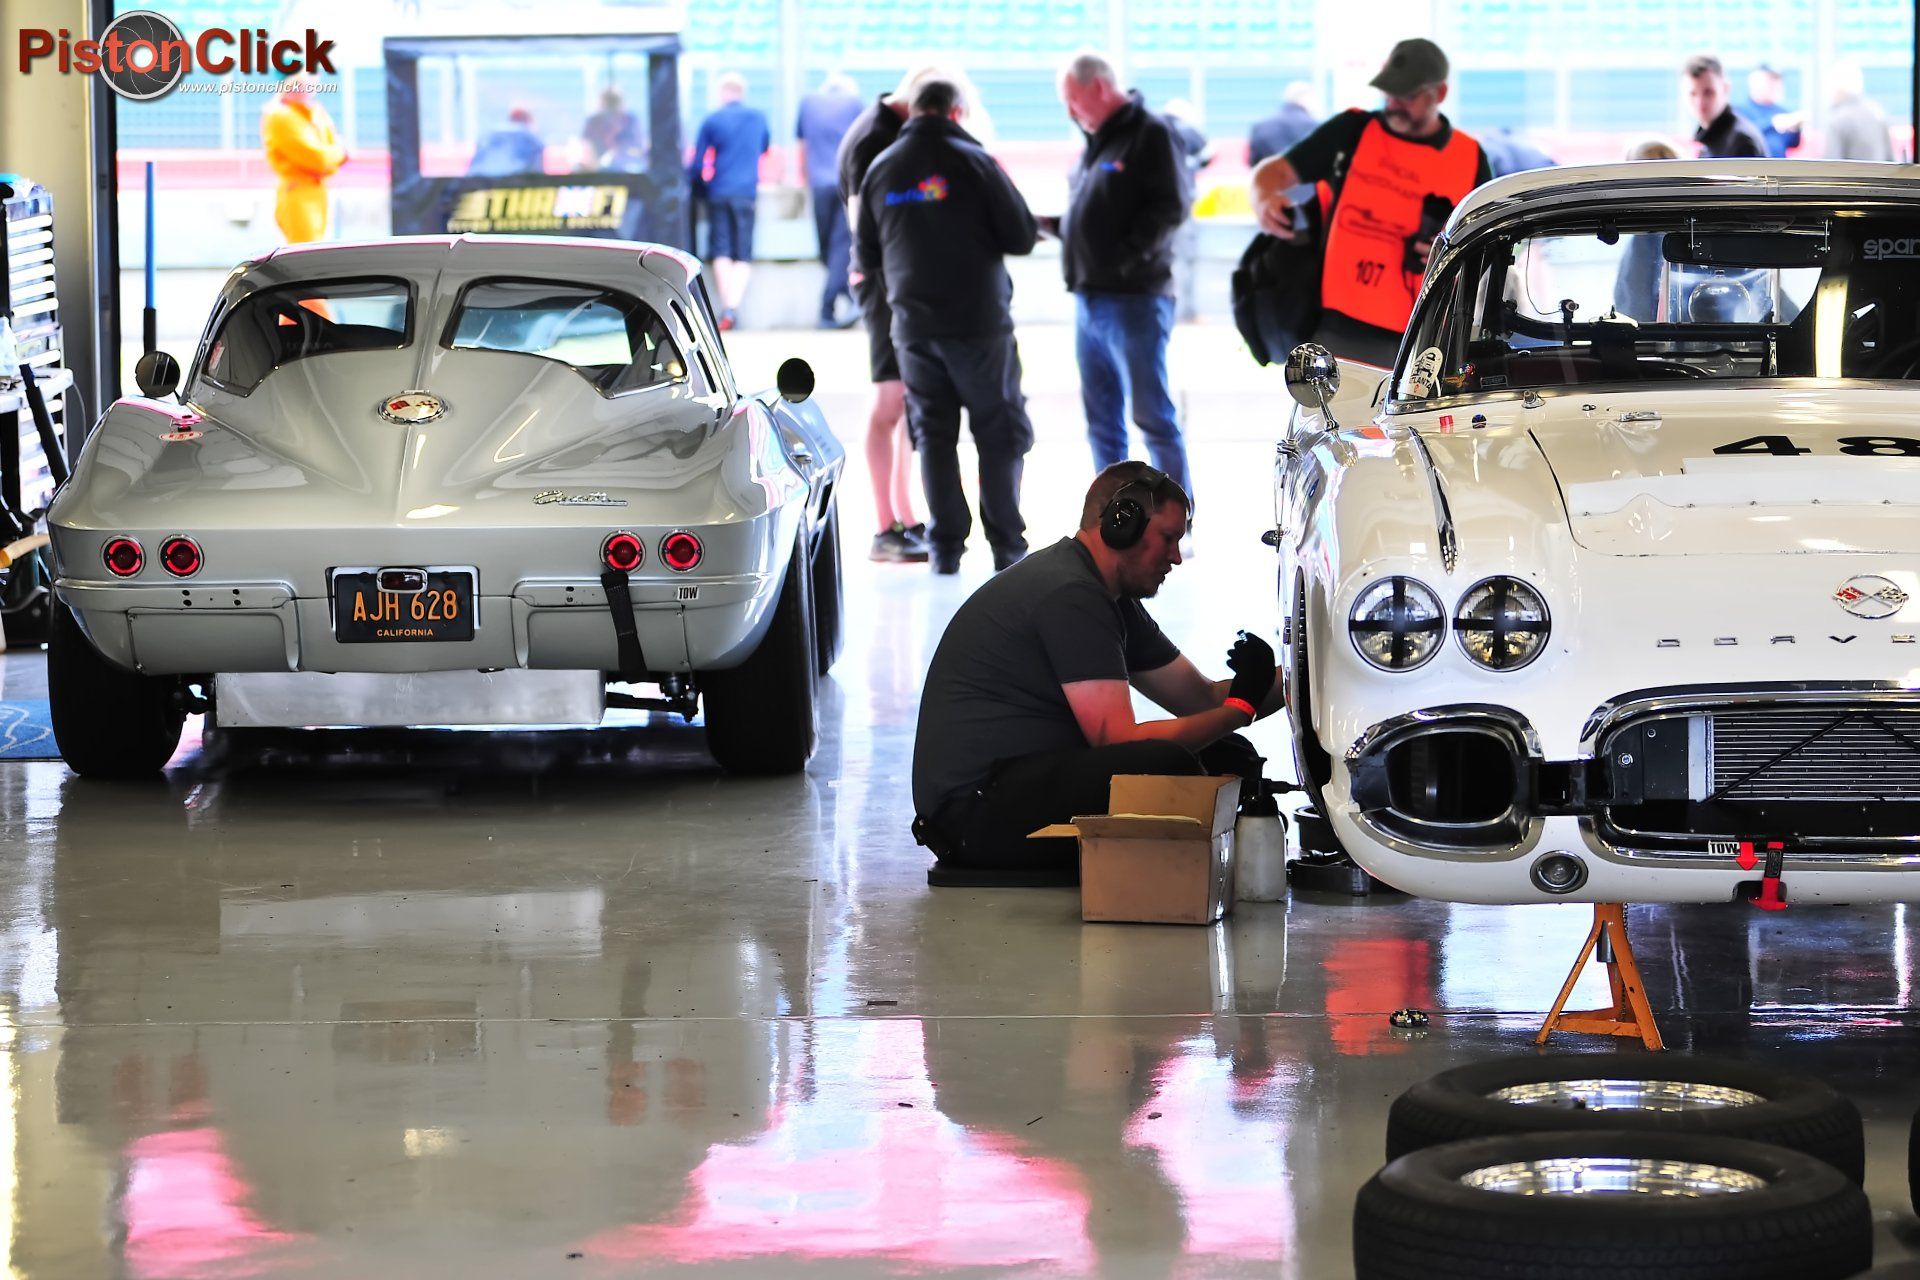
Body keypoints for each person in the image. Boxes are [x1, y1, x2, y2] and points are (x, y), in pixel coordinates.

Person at [910, 462, 1282, 877]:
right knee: (1166, 765)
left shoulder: (1106, 595)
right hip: (972, 815)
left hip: (1010, 788)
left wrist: (1296, 677)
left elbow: (1201, 701)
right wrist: (1238, 710)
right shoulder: (1071, 594)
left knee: (1224, 749)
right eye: (1168, 538)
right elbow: (1116, 741)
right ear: (1122, 524)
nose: (1176, 557)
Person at [856, 78, 1038, 576]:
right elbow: (1022, 235)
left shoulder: (880, 168)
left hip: (912, 329)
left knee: (933, 437)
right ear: (956, 113)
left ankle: (944, 551)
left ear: (915, 112)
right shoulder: (975, 161)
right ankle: (1007, 548)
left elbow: (866, 256)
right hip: (978, 325)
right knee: (998, 433)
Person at [1249, 38, 1491, 367]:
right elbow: (1274, 172)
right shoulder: (1351, 131)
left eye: (1407, 96)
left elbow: (1485, 249)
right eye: (1389, 93)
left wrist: (1448, 250)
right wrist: (1265, 198)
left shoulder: (1470, 158)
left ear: (1441, 94)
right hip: (1337, 328)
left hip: (1423, 337)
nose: (1393, 104)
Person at [839, 66, 970, 564]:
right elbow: (864, 229)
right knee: (889, 400)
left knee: (903, 401)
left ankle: (903, 517)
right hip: (883, 286)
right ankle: (884, 525)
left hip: (894, 284)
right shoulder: (873, 139)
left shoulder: (884, 129)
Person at [1058, 53, 1195, 511]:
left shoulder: (1151, 134)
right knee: (1101, 418)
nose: (1071, 112)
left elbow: (1171, 208)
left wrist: (1121, 262)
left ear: (1098, 87)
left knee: (1151, 414)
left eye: (1074, 101)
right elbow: (1095, 217)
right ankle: (1114, 514)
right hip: (1090, 301)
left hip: (1134, 299)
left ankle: (1177, 516)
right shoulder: (1096, 143)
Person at [689, 72, 770, 330]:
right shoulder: (758, 118)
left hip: (719, 192)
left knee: (721, 250)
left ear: (722, 93)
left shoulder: (712, 120)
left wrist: (704, 190)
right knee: (743, 253)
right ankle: (732, 308)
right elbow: (764, 148)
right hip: (746, 192)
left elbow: (696, 165)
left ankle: (726, 310)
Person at [796, 72, 864, 329]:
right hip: (846, 182)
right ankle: (843, 298)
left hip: (819, 184)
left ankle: (835, 304)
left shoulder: (808, 103)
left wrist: (805, 178)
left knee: (829, 247)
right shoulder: (855, 104)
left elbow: (802, 145)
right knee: (839, 246)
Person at [261, 77, 346, 244]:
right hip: (298, 193)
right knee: (307, 255)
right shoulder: (281, 116)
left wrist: (334, 154)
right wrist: (338, 153)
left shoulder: (312, 113)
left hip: (317, 190)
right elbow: (318, 159)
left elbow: (330, 146)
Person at [1686, 55, 1768, 159]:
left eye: (1708, 92)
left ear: (1725, 89)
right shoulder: (1714, 138)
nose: (1700, 102)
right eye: (1692, 94)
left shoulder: (1742, 142)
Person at [1823, 62, 1895, 162]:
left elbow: (1830, 165)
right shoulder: (1877, 112)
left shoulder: (1838, 120)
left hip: (1850, 177)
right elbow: (1890, 158)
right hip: (1879, 176)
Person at [1248, 82, 1318, 168]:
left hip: (1271, 178)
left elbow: (1253, 162)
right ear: (1306, 98)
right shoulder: (1313, 125)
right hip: (1304, 179)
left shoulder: (1260, 126)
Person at [1739, 64, 1802, 158]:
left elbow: (1794, 143)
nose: (1774, 85)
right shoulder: (1741, 111)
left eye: (1776, 81)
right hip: (1752, 168)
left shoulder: (1782, 111)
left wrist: (1796, 128)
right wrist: (1772, 122)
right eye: (1769, 81)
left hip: (1779, 168)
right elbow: (1744, 137)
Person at [467, 106, 546, 177]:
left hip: (478, 187)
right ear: (528, 120)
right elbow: (537, 175)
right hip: (512, 187)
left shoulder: (487, 136)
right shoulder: (531, 140)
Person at [581, 87, 644, 171]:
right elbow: (586, 149)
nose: (611, 114)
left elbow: (639, 148)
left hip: (626, 170)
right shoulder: (593, 122)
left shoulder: (630, 121)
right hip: (596, 172)